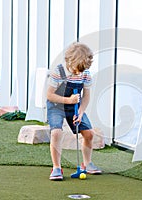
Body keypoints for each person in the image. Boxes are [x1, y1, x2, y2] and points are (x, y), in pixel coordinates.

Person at [46, 42, 101, 180]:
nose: (78, 73)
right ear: (69, 61)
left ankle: (87, 164)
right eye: (76, 69)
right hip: (56, 105)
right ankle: (57, 168)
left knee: (89, 134)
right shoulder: (59, 72)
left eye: (82, 70)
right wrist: (69, 100)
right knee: (56, 133)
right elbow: (49, 95)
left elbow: (86, 96)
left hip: (74, 107)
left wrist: (81, 112)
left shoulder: (85, 74)